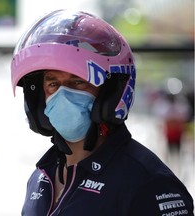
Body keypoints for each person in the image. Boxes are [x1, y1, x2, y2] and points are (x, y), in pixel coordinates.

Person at [10, 10, 194, 215]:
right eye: (53, 83)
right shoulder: (41, 177)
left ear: (110, 93)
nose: (63, 94)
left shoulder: (149, 183)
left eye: (78, 81)